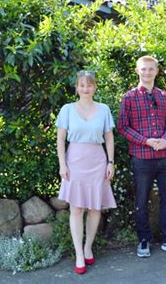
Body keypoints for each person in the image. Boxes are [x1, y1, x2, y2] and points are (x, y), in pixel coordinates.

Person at [118, 56, 166, 258]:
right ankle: (144, 240)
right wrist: (146, 141)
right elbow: (123, 126)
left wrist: (165, 138)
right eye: (144, 69)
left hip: (164, 157)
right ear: (137, 71)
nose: (147, 72)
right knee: (141, 200)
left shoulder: (163, 96)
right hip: (141, 158)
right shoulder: (129, 97)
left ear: (157, 71)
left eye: (151, 69)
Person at [56, 70, 117, 275]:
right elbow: (60, 140)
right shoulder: (67, 109)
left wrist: (111, 162)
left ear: (95, 87)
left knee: (94, 208)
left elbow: (109, 138)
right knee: (76, 209)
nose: (85, 88)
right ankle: (78, 254)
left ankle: (88, 247)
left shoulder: (104, 109)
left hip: (98, 161)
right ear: (76, 88)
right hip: (75, 160)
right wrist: (62, 165)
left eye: (89, 85)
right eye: (81, 85)